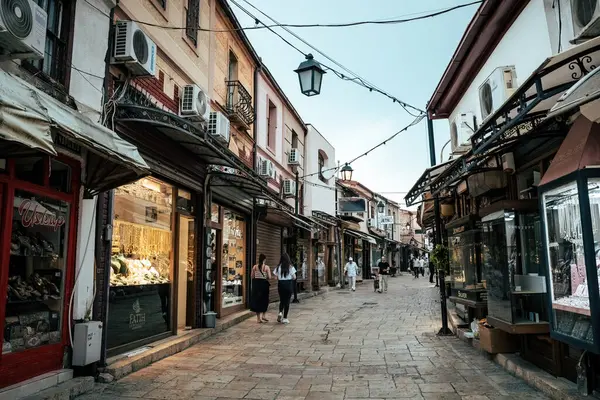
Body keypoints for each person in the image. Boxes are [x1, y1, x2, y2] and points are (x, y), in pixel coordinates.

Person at [273, 253, 297, 324]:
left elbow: (275, 277)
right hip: (288, 285)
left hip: (281, 285)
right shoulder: (290, 267)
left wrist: (280, 277)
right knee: (287, 301)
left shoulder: (278, 267)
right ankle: (285, 318)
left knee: (282, 300)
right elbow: (294, 277)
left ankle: (280, 312)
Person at [250, 254, 271, 323]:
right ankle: (264, 315)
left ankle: (258, 318)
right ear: (264, 259)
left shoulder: (254, 267)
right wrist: (265, 277)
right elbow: (269, 277)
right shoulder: (266, 267)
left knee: (257, 301)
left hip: (256, 285)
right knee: (264, 300)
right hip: (264, 285)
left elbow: (252, 276)